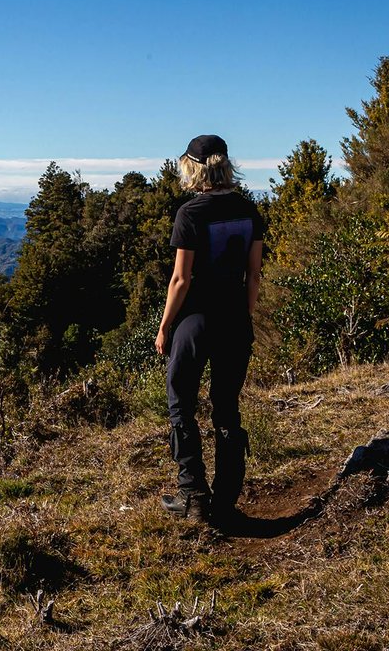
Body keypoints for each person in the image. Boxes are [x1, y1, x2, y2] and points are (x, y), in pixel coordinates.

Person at [155, 134, 264, 523]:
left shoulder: (191, 213)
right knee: (226, 408)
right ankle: (226, 498)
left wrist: (165, 326)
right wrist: (244, 314)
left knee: (181, 401)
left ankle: (193, 495)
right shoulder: (250, 210)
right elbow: (253, 275)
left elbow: (181, 281)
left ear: (193, 167)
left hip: (196, 321)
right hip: (235, 318)